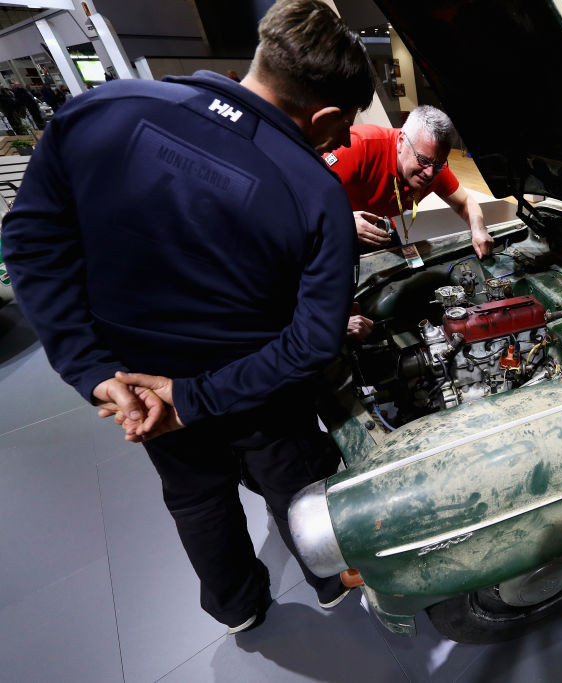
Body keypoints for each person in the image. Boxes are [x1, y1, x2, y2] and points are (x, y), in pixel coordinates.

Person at [1, 0, 375, 634]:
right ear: (329, 115)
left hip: (140, 387)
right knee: (298, 484)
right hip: (259, 393)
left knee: (197, 497)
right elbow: (313, 342)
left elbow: (32, 243)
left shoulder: (100, 112)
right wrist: (198, 396)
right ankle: (328, 581)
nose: (339, 143)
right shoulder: (315, 194)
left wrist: (92, 369)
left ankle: (236, 606)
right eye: (340, 131)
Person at [324, 104, 494, 258]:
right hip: (336, 226)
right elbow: (301, 201)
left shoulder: (433, 165)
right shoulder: (356, 147)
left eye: (438, 164)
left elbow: (464, 201)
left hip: (380, 225)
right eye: (423, 160)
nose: (429, 173)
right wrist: (343, 222)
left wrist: (479, 229)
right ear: (401, 141)